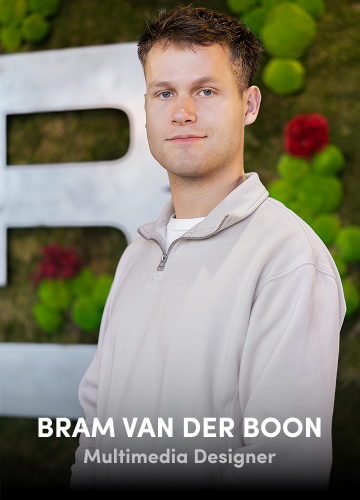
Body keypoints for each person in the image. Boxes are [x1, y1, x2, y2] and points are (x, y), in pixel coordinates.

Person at [70, 5, 346, 491]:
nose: (183, 112)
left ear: (251, 104)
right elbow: (96, 430)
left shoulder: (287, 259)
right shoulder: (137, 255)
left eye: (206, 90)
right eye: (164, 92)